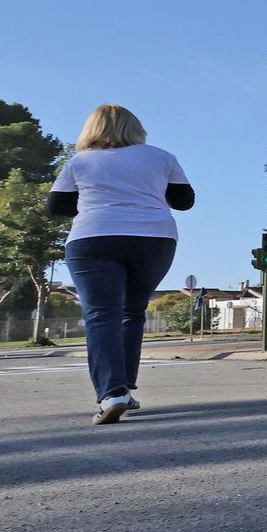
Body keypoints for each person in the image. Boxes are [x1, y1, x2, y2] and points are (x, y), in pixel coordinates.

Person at [46, 104, 193, 425]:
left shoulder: (79, 161)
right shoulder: (161, 156)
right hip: (153, 239)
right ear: (135, 128)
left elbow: (56, 206)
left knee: (101, 315)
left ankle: (113, 393)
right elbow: (185, 202)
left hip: (93, 238)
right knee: (132, 311)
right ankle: (123, 386)